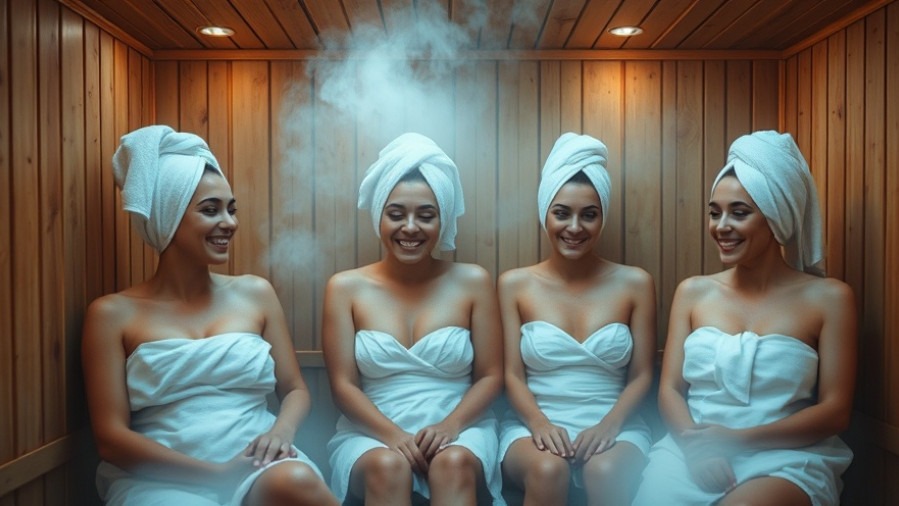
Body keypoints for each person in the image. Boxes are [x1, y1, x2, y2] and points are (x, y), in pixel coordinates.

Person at [82, 125, 338, 506]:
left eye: (231, 209)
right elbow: (111, 438)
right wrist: (216, 474)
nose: (230, 223)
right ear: (168, 216)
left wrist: (281, 433)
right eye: (210, 210)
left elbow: (296, 389)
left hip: (258, 461)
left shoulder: (255, 293)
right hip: (160, 477)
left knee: (297, 482)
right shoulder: (111, 315)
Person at [632, 130, 856, 506]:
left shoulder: (830, 299)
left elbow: (835, 412)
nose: (721, 226)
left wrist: (736, 440)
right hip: (692, 448)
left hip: (787, 456)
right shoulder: (693, 292)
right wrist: (697, 448)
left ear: (776, 217)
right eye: (715, 212)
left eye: (739, 213)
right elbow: (670, 390)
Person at [322, 132, 505, 505]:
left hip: (460, 426)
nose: (410, 228)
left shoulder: (473, 281)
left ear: (442, 220)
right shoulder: (345, 288)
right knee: (389, 467)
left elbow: (491, 375)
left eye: (426, 215)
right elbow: (344, 386)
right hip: (370, 431)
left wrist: (450, 426)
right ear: (379, 217)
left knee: (451, 463)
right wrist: (392, 435)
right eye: (396, 214)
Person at [496, 133, 655, 505]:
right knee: (549, 470)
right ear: (544, 213)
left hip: (616, 423)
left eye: (589, 215)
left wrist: (609, 425)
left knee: (605, 470)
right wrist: (539, 423)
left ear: (603, 217)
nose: (574, 227)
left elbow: (642, 375)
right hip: (533, 425)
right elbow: (512, 375)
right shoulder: (515, 285)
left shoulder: (635, 283)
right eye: (561, 213)